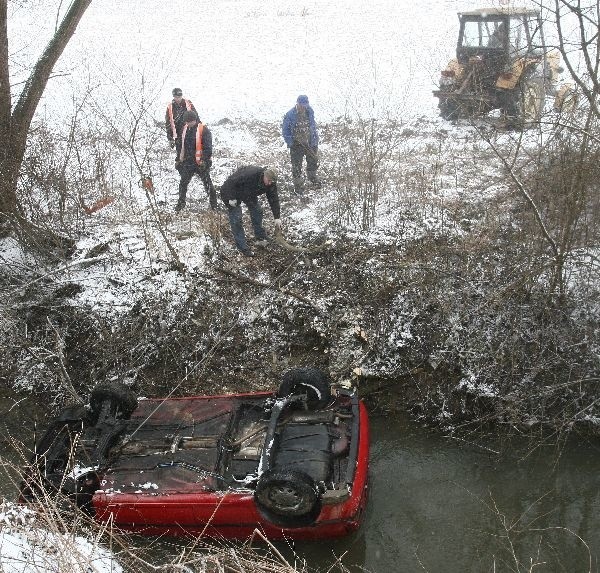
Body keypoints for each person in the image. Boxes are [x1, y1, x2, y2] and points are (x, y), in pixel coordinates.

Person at [219, 166, 281, 257]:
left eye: (272, 182)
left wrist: (277, 217)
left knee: (257, 211)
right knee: (237, 219)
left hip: (249, 194)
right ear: (264, 175)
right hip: (233, 193)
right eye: (269, 180)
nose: (269, 183)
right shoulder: (250, 174)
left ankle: (260, 236)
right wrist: (229, 198)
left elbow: (274, 199)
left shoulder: (271, 183)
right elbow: (228, 184)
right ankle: (242, 247)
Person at [174, 110, 217, 212]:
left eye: (190, 121)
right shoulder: (184, 129)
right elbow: (180, 146)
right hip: (188, 163)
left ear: (195, 120)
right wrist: (178, 159)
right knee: (183, 183)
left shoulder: (204, 130)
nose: (189, 124)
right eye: (187, 122)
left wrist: (204, 160)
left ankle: (214, 206)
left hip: (200, 163)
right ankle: (180, 204)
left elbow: (208, 148)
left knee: (208, 184)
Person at [282, 95, 321, 195]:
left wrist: (314, 139)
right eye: (302, 105)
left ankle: (312, 177)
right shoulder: (290, 114)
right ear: (298, 103)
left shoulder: (310, 111)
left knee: (313, 160)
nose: (304, 107)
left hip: (310, 142)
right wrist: (291, 143)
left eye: (305, 105)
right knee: (296, 165)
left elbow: (313, 125)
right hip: (297, 144)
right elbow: (285, 131)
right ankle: (298, 184)